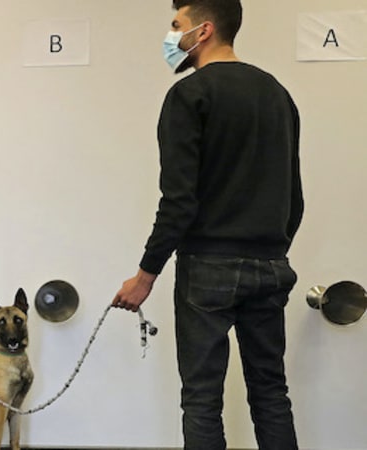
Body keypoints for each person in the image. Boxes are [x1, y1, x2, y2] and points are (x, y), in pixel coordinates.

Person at [111, 1, 303, 449]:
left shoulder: (189, 96)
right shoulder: (278, 93)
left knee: (201, 400)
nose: (171, 35)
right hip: (271, 264)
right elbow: (294, 196)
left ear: (204, 31)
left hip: (208, 269)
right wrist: (273, 249)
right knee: (272, 393)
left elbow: (179, 202)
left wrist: (146, 275)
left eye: (176, 24)